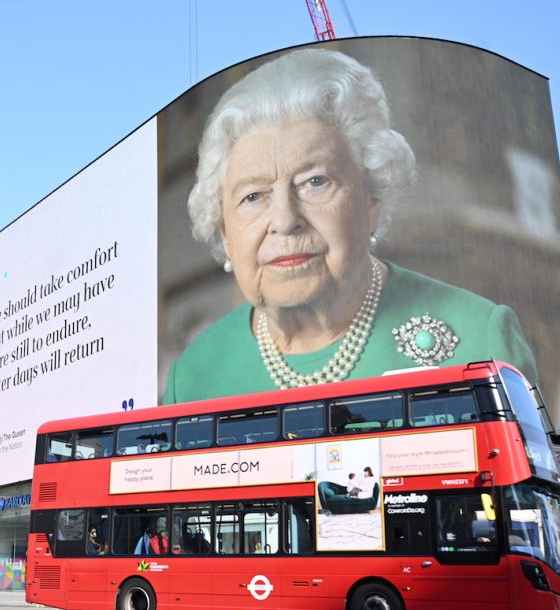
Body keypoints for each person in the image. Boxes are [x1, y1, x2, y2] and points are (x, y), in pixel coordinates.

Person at [163, 48, 537, 403]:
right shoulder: (194, 376)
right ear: (226, 234)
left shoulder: (480, 337)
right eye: (253, 196)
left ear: (371, 198)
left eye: (315, 182)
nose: (285, 220)